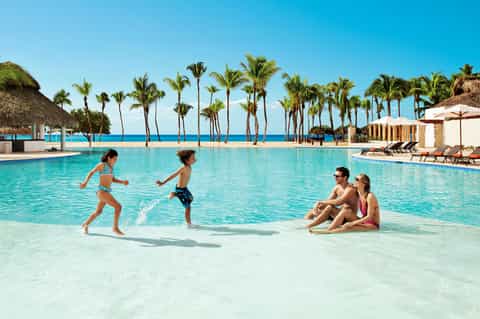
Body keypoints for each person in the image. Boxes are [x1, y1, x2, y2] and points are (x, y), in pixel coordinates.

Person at [311, 174, 380, 234]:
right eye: (355, 179)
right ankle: (330, 229)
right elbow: (345, 189)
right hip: (364, 221)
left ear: (364, 183)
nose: (354, 181)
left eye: (357, 179)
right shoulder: (359, 193)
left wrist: (352, 223)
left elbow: (369, 217)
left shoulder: (370, 196)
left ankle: (329, 232)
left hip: (372, 225)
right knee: (346, 211)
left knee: (349, 228)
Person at [80, 149, 129, 235]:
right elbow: (91, 172)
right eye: (114, 159)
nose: (116, 161)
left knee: (98, 212)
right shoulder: (102, 165)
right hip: (102, 192)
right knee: (118, 207)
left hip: (106, 192)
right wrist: (85, 182)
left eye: (116, 159)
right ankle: (115, 228)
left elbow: (112, 179)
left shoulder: (111, 168)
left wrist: (122, 182)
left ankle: (85, 224)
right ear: (109, 158)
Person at [157, 150, 196, 226]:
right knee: (188, 208)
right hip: (180, 190)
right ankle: (189, 224)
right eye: (193, 158)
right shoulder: (183, 168)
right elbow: (173, 175)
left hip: (185, 189)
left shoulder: (189, 167)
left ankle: (175, 194)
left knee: (191, 198)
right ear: (186, 160)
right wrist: (163, 182)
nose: (195, 159)